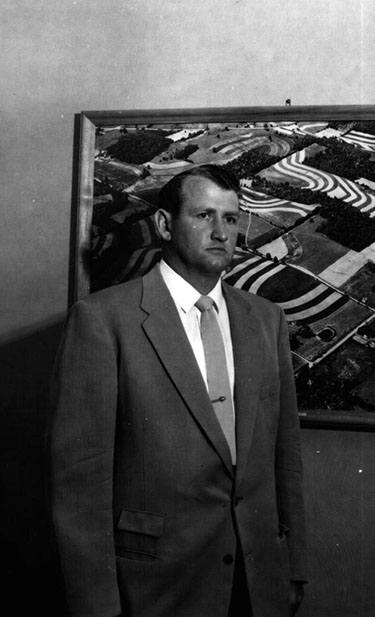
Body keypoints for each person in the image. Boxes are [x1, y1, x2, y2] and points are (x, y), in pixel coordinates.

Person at [49, 165, 308, 617]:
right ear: (166, 225)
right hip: (155, 586)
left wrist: (293, 568)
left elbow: (286, 456)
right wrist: (96, 604)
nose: (220, 232)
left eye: (231, 218)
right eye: (204, 215)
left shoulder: (266, 319)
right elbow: (79, 484)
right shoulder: (103, 320)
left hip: (257, 578)